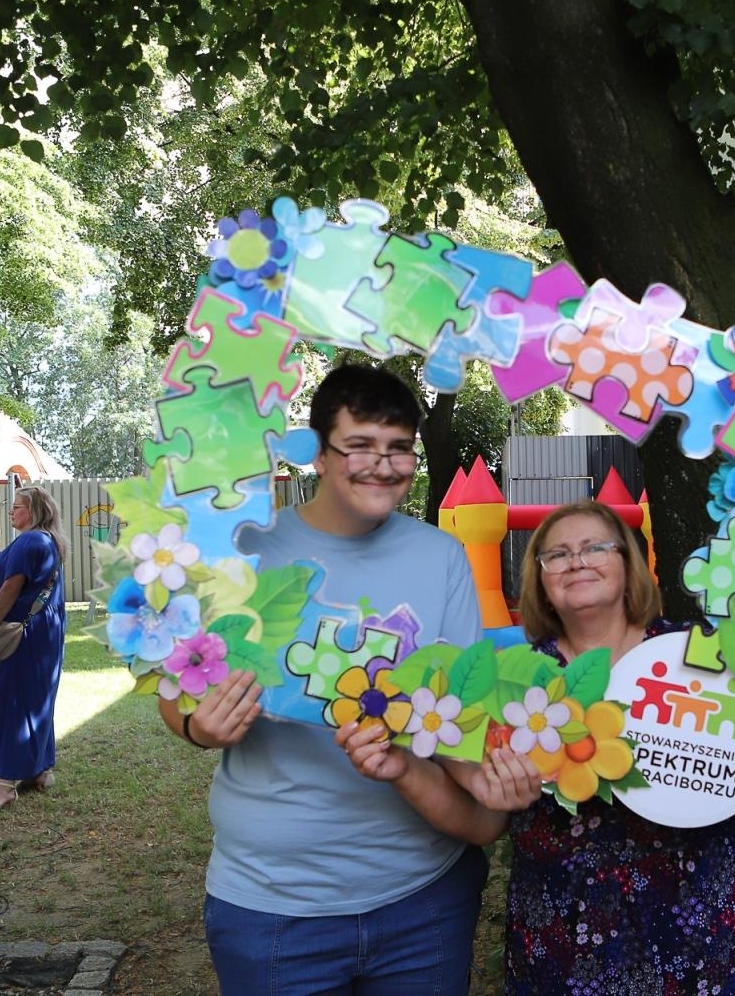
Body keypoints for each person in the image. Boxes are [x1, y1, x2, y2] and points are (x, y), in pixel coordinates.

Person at [162, 364, 503, 995]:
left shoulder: (442, 555)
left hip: (422, 897)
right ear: (318, 453)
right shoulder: (243, 552)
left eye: (399, 448)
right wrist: (196, 726)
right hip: (270, 905)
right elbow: (175, 694)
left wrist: (493, 798)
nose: (384, 465)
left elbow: (460, 718)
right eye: (361, 446)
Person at [398, 501, 735, 994]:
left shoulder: (697, 657)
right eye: (557, 554)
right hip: (568, 936)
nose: (577, 561)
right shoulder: (513, 679)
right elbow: (487, 820)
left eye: (595, 547)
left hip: (706, 925)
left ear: (629, 561)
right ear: (540, 578)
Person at [0, 485, 67, 812]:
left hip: (21, 631)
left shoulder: (31, 540)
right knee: (35, 697)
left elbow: (10, 586)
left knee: (12, 698)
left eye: (18, 507)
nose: (11, 511)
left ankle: (6, 785)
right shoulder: (47, 540)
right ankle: (38, 769)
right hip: (41, 630)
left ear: (34, 511)